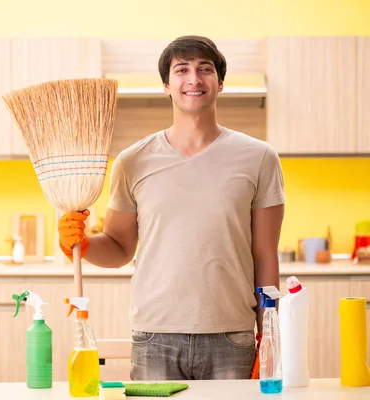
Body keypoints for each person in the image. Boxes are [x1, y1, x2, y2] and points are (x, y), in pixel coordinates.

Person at [57, 35, 285, 381]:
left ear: (220, 83)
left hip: (232, 335)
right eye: (182, 70)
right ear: (167, 85)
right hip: (154, 337)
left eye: (204, 69)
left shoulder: (259, 157)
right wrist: (84, 245)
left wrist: (268, 337)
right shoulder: (132, 161)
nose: (194, 79)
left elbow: (265, 255)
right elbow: (119, 248)